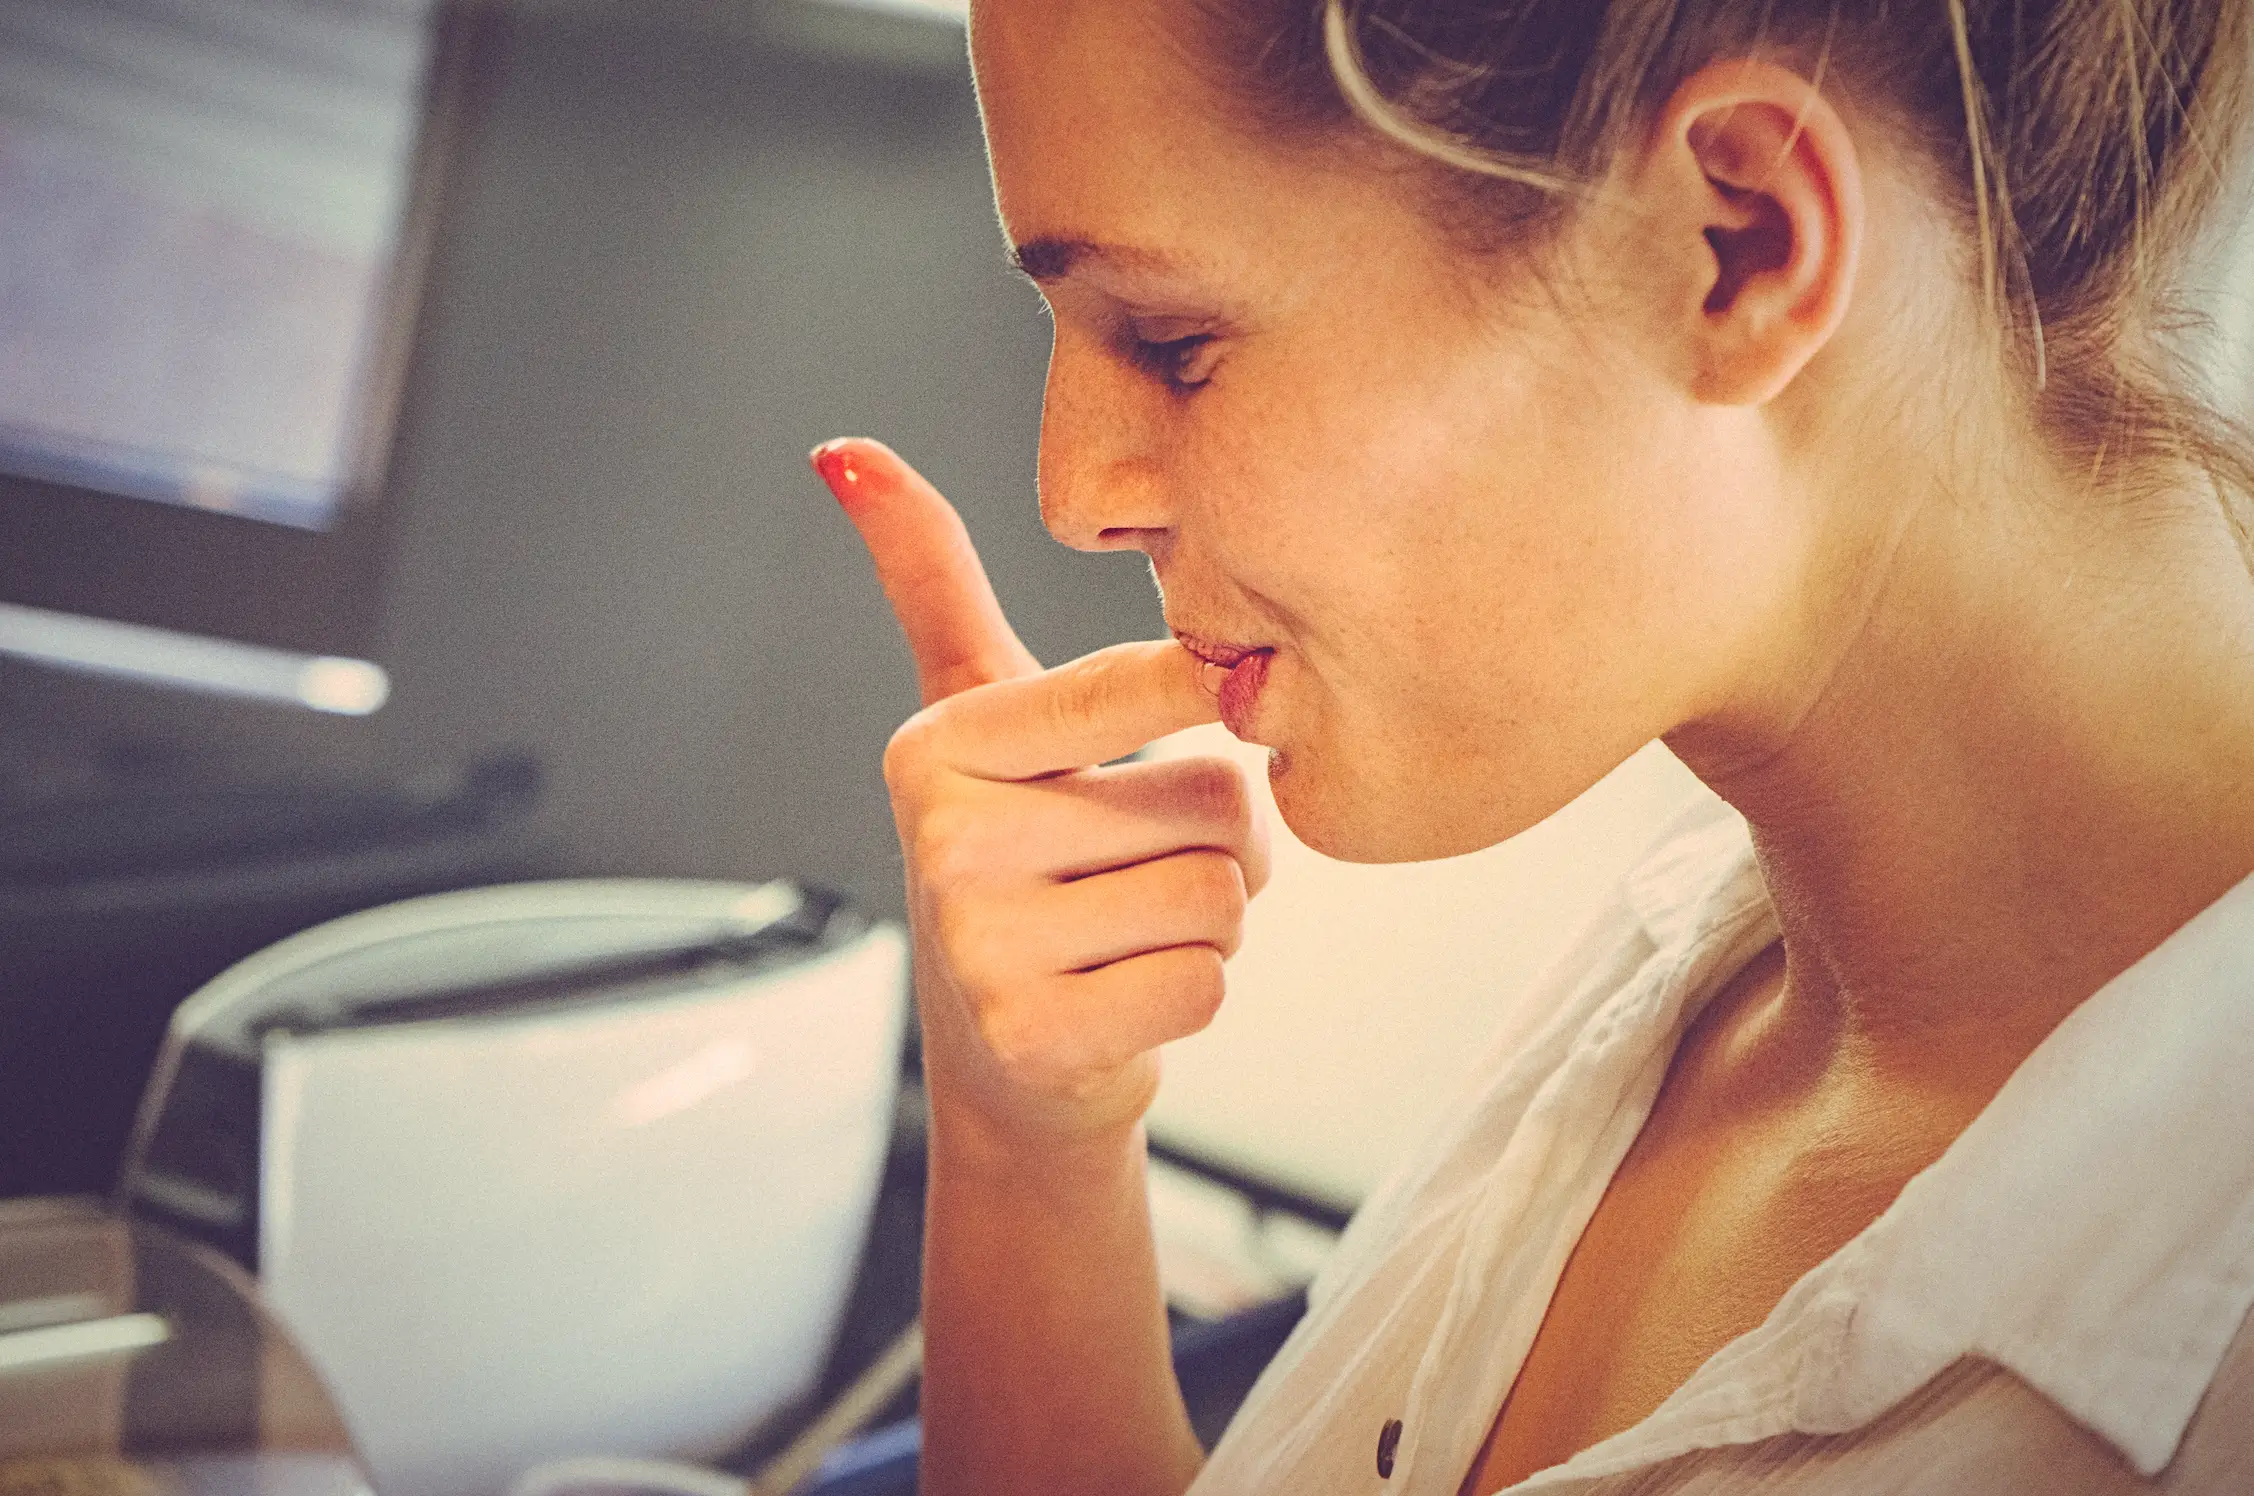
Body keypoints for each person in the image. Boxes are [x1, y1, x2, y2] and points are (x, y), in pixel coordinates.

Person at [807, 1, 2254, 1492]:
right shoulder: (1691, 963)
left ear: (1734, 243)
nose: (1071, 491)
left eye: (1172, 342)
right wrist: (1028, 1144)